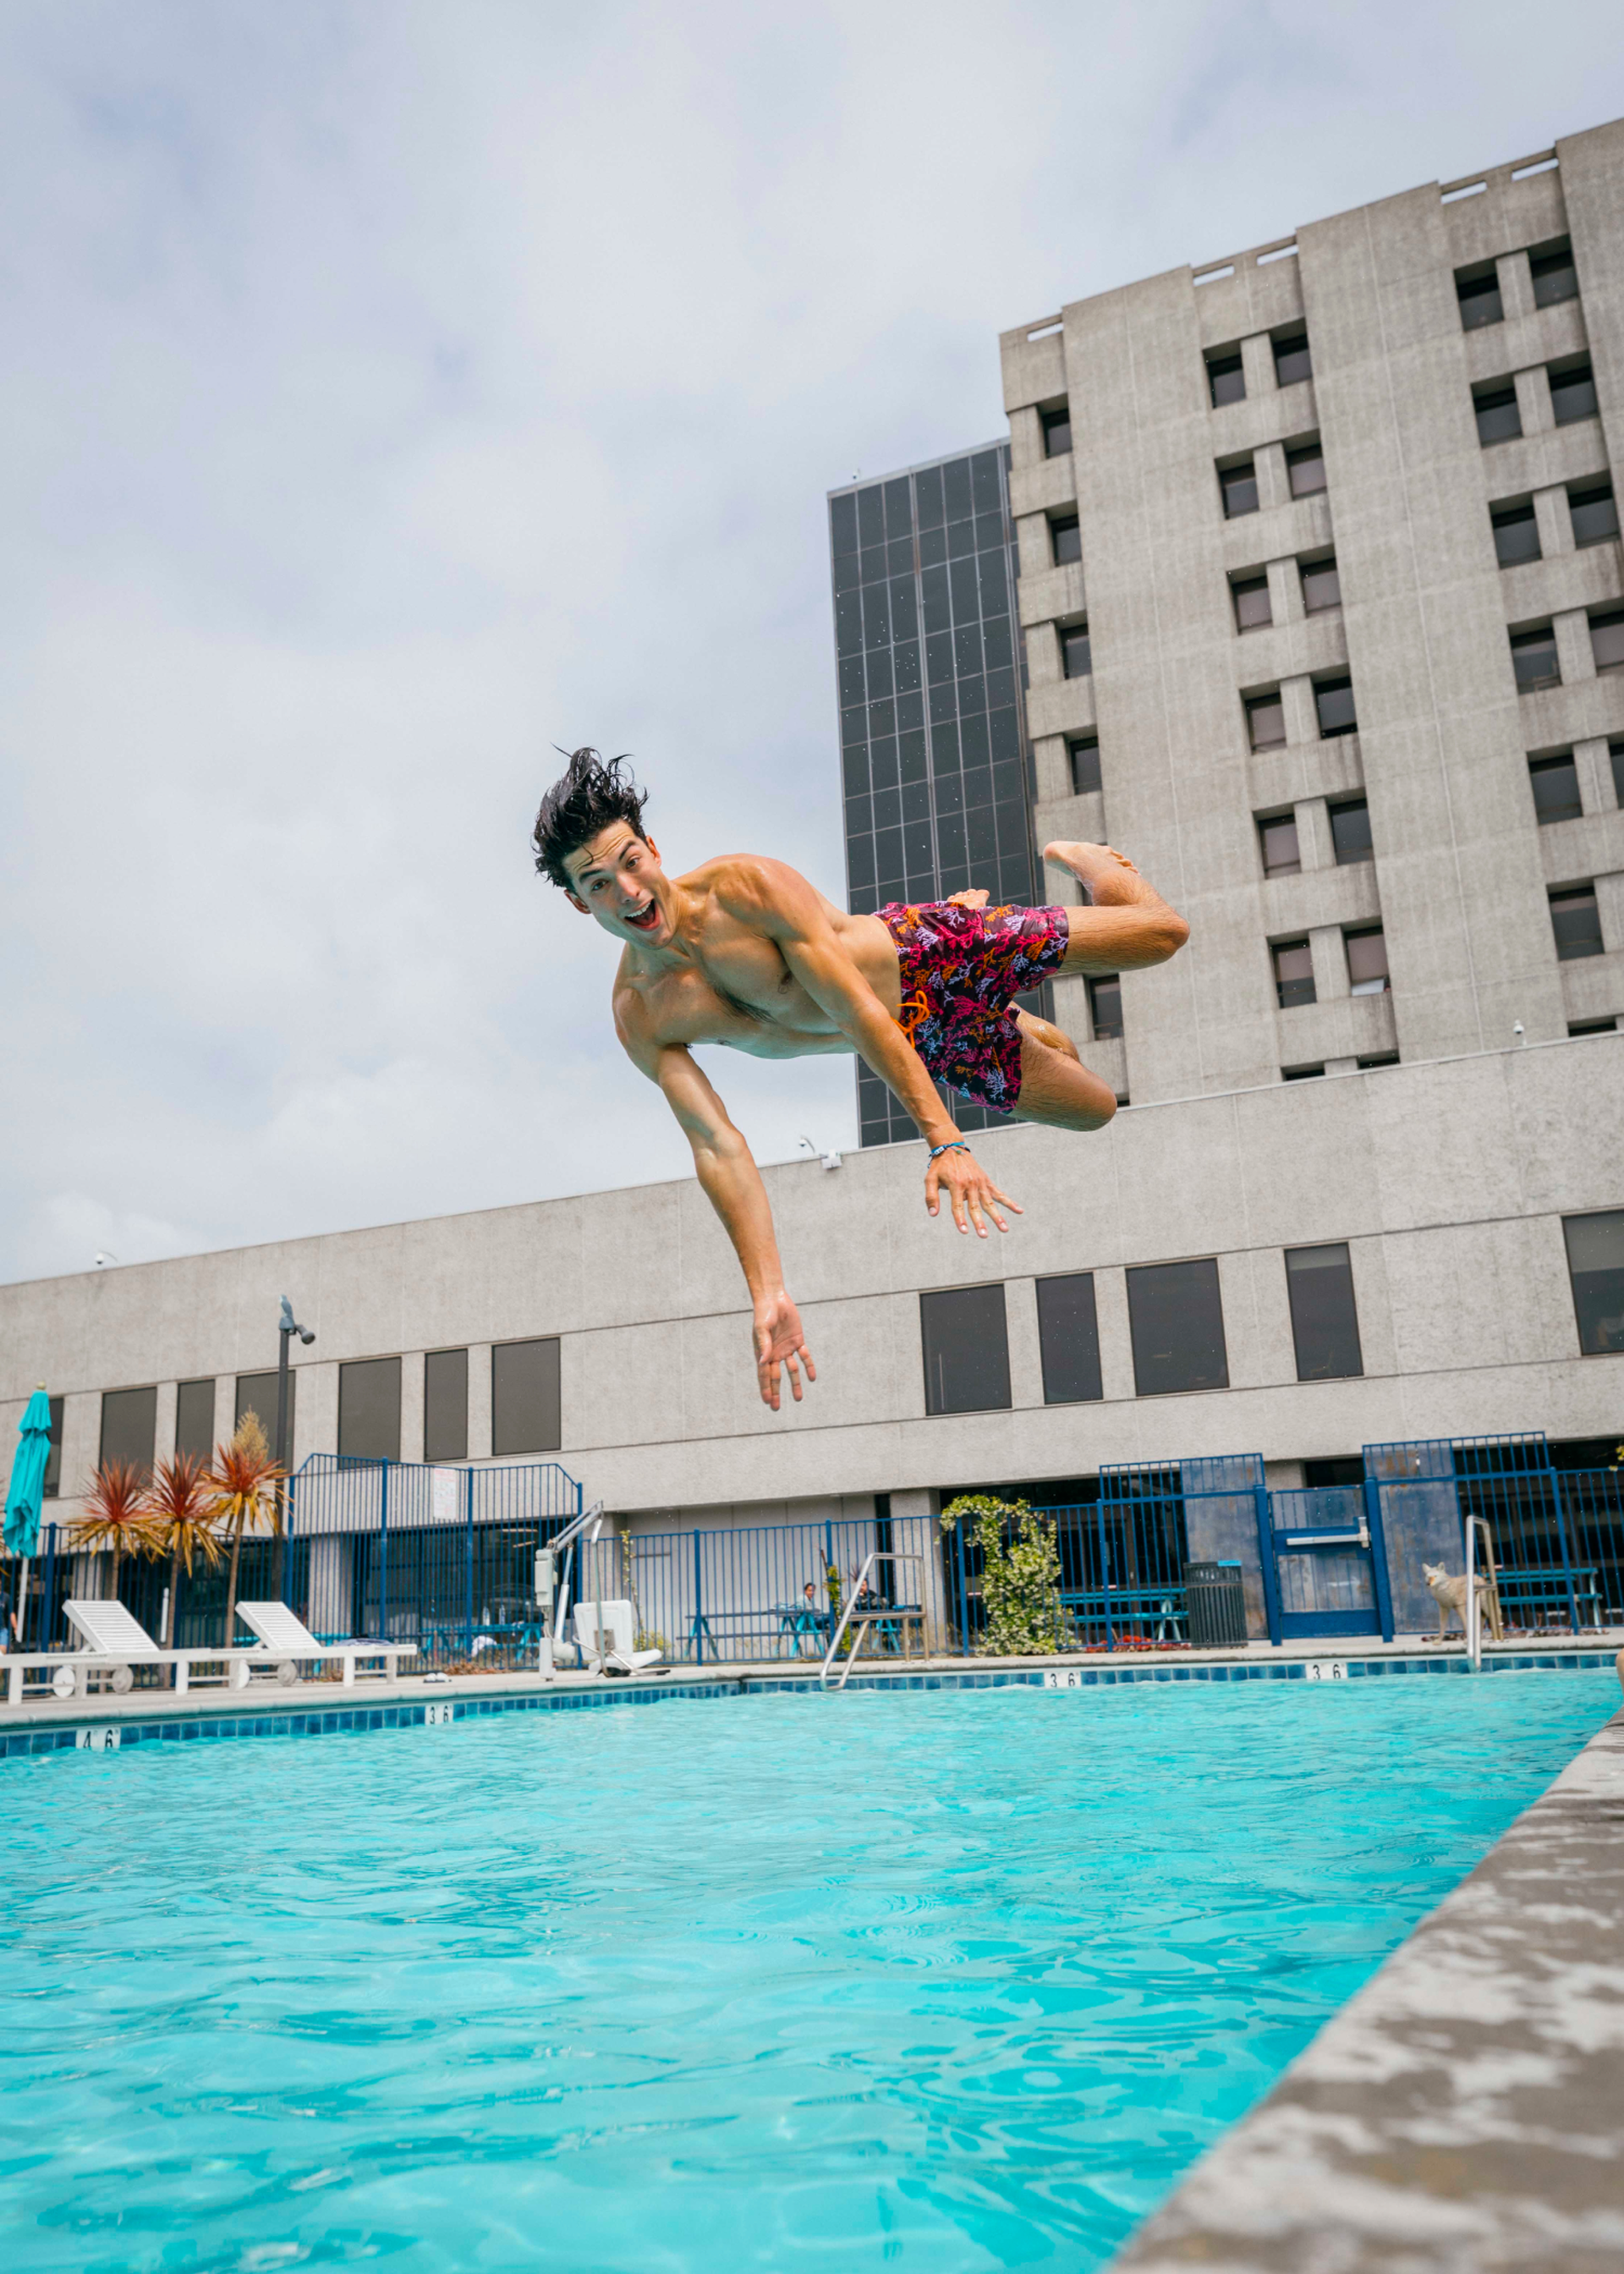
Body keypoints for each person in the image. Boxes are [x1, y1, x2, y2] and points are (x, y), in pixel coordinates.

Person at [532, 749, 1189, 1409]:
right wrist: (769, 1293)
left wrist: (946, 1140)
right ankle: (1016, 1017)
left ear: (652, 847)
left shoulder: (746, 888)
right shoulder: (642, 1013)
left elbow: (857, 1010)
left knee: (1160, 935)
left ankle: (1099, 873)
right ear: (578, 903)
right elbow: (716, 1144)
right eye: (598, 884)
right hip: (925, 1037)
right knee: (1093, 1107)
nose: (629, 892)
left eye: (630, 862)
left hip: (930, 950)